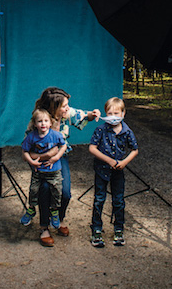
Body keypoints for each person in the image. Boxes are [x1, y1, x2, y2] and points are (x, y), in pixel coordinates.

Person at [28, 87, 100, 247]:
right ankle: (44, 228)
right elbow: (28, 148)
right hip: (41, 161)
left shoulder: (66, 113)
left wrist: (92, 114)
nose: (67, 108)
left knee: (65, 193)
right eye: (64, 106)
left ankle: (58, 220)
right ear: (53, 108)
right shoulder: (40, 119)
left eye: (68, 105)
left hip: (60, 157)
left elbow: (81, 114)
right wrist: (42, 158)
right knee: (45, 191)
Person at [89, 96, 138, 248]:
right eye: (109, 114)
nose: (113, 117)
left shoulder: (127, 131)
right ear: (105, 114)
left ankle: (119, 229)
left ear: (123, 114)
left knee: (118, 200)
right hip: (101, 170)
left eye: (117, 113)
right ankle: (96, 229)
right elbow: (92, 148)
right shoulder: (101, 129)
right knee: (99, 199)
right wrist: (108, 160)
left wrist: (124, 162)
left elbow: (134, 150)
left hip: (118, 172)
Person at [20, 108, 67, 229]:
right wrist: (32, 162)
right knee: (33, 190)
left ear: (50, 123)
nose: (43, 124)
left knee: (57, 191)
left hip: (54, 171)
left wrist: (55, 158)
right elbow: (24, 151)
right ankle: (31, 209)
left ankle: (54, 211)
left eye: (46, 121)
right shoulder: (31, 137)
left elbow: (63, 146)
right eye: (40, 121)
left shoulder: (55, 135)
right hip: (38, 171)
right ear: (35, 124)